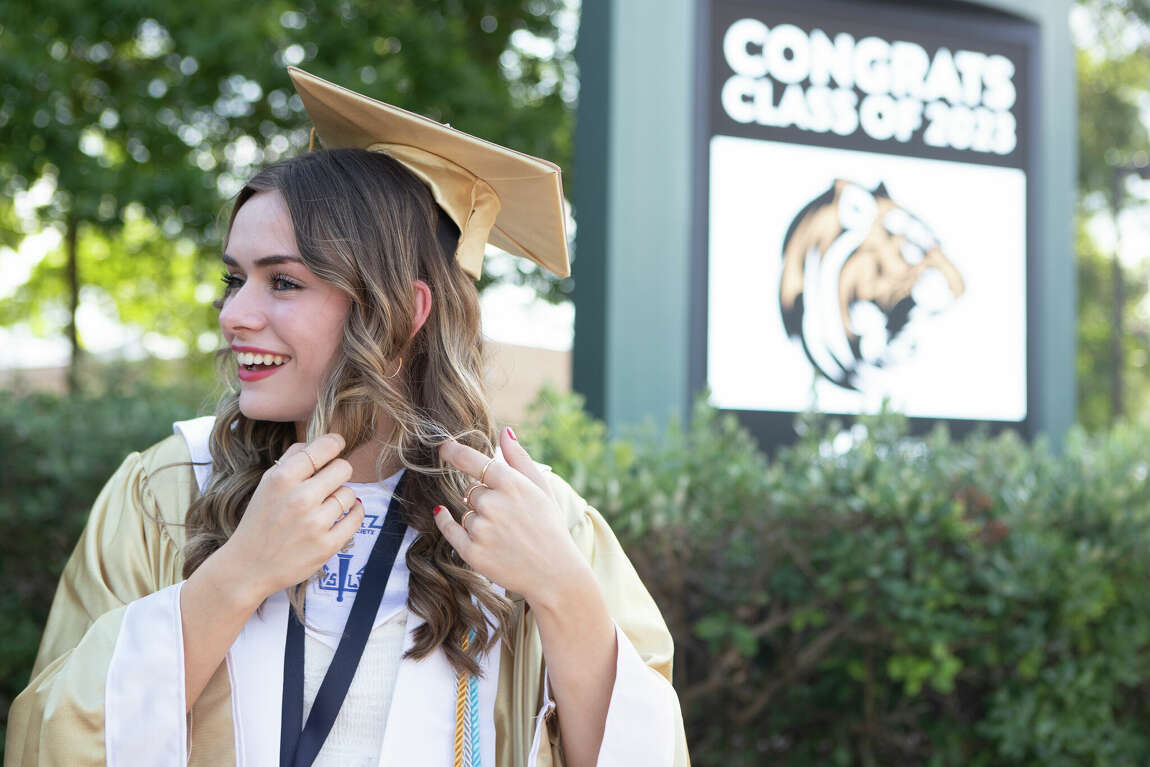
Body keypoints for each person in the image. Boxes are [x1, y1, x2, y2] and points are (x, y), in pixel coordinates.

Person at [4, 67, 689, 767]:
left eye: (283, 281)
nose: (234, 314)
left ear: (404, 312)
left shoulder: (533, 518)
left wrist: (564, 590)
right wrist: (237, 574)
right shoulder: (168, 491)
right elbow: (49, 740)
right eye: (234, 279)